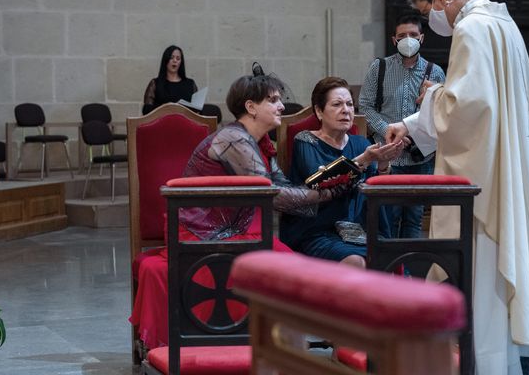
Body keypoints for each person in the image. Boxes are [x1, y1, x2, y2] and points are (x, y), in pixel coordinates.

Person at [384, 0, 529, 375]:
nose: (430, 20)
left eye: (426, 11)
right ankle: (504, 361)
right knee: (491, 270)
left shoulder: (472, 28)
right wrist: (410, 122)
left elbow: (466, 109)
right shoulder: (502, 22)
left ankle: (485, 365)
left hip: (483, 178)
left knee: (479, 267)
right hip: (502, 162)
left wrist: (433, 94)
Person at [130, 74, 340, 350]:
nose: (281, 106)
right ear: (251, 107)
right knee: (284, 264)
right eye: (273, 100)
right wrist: (328, 193)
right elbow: (274, 196)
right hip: (200, 234)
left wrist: (333, 180)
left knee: (286, 262)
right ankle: (260, 344)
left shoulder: (259, 142)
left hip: (231, 231)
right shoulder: (233, 139)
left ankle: (275, 344)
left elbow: (282, 187)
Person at [280, 77, 402, 268]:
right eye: (337, 104)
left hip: (358, 229)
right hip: (317, 230)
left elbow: (375, 194)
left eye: (350, 104)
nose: (346, 110)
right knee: (356, 261)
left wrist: (383, 165)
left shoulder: (361, 144)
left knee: (393, 256)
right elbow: (321, 182)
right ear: (319, 112)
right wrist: (365, 160)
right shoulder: (305, 140)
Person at [358, 12, 445, 238]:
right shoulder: (379, 68)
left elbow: (441, 113)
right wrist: (388, 130)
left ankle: (409, 272)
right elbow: (365, 106)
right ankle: (389, 271)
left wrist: (413, 134)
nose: (408, 39)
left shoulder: (435, 72)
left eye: (413, 35)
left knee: (414, 220)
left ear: (422, 38)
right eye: (402, 35)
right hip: (387, 156)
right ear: (394, 40)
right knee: (388, 217)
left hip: (420, 157)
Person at [142, 45, 197, 115]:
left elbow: (197, 110)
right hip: (162, 123)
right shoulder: (155, 83)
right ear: (166, 60)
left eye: (178, 58)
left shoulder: (190, 84)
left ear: (181, 62)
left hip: (185, 123)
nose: (175, 61)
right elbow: (146, 109)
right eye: (171, 57)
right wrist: (165, 107)